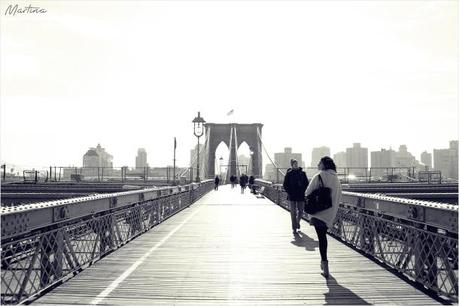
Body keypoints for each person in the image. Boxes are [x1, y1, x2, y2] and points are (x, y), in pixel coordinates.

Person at [305, 156, 342, 278]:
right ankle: (324, 264)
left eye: (319, 162)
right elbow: (338, 197)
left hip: (318, 213)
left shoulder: (319, 176)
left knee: (321, 238)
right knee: (323, 237)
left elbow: (307, 193)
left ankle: (325, 264)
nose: (318, 164)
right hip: (330, 214)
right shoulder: (337, 179)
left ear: (324, 165)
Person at [283, 159, 309, 234]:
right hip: (292, 195)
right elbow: (285, 184)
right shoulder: (289, 174)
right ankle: (294, 228)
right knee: (293, 212)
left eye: (296, 163)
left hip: (301, 195)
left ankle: (297, 222)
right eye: (294, 164)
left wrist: (303, 190)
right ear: (292, 165)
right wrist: (289, 192)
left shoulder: (303, 173)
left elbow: (307, 183)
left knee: (301, 211)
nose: (296, 165)